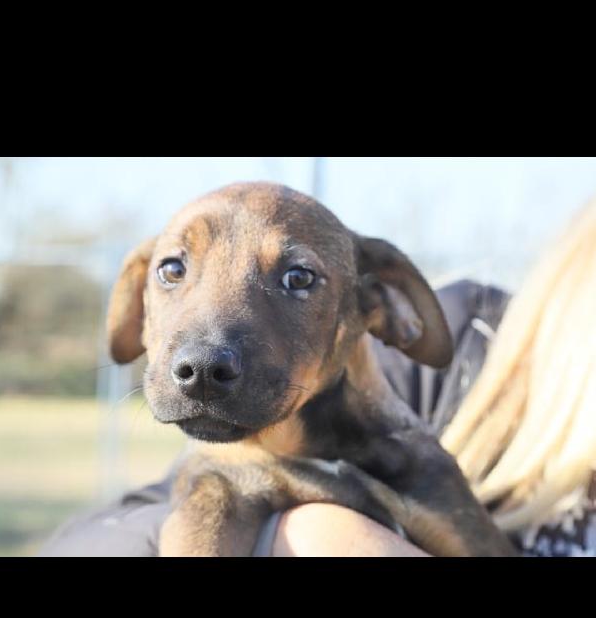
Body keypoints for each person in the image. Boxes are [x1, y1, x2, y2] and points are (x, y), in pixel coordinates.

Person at [39, 200, 596, 559]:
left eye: (297, 279)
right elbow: (93, 539)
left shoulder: (420, 468)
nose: (204, 358)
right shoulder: (481, 347)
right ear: (141, 298)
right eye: (173, 271)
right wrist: (318, 535)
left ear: (378, 305)